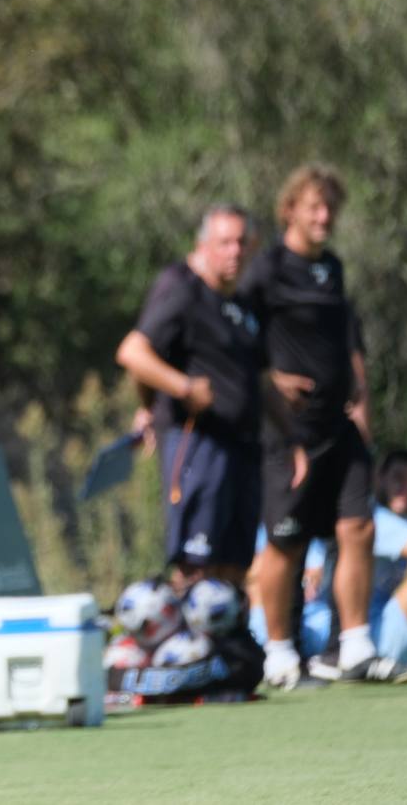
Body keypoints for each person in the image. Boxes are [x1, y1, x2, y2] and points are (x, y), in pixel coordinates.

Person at [238, 163, 387, 688]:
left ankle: (355, 648)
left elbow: (350, 342)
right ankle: (279, 655)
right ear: (290, 211)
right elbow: (235, 337)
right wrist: (268, 379)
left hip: (339, 427)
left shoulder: (334, 270)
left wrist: (361, 400)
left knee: (358, 528)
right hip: (289, 432)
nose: (325, 217)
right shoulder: (266, 269)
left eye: (331, 208)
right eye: (315, 206)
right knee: (287, 542)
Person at [115, 205, 265, 594]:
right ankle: (191, 652)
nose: (235, 251)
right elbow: (134, 353)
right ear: (203, 245)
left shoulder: (241, 303)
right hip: (199, 444)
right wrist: (181, 389)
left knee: (235, 565)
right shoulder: (181, 288)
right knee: (196, 565)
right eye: (224, 243)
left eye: (241, 243)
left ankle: (231, 653)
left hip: (243, 447)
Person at [247, 449, 407, 680]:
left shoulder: (397, 523)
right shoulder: (367, 518)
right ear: (379, 477)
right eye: (398, 478)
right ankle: (269, 653)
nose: (406, 489)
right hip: (367, 636)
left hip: (363, 632)